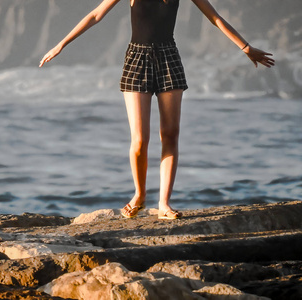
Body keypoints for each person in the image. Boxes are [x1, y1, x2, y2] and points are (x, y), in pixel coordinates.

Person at [39, 0, 275, 220]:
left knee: (170, 134)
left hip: (168, 58)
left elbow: (215, 18)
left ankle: (164, 204)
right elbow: (95, 15)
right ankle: (139, 194)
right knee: (140, 139)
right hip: (136, 59)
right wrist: (62, 44)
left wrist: (245, 47)